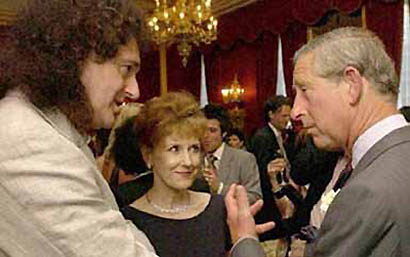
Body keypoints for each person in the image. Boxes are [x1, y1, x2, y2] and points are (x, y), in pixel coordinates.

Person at [0, 0, 266, 256]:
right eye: (126, 69)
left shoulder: (48, 132)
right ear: (75, 59)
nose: (135, 89)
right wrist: (246, 244)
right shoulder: (29, 143)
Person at [291, 26, 410, 256]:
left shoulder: (367, 192)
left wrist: (244, 241)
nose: (296, 111)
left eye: (305, 90)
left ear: (351, 85)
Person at [121, 91, 232, 257]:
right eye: (174, 149)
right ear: (148, 155)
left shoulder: (218, 208)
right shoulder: (128, 221)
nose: (188, 161)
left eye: (194, 149)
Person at [192, 104, 262, 204]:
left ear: (224, 133)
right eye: (202, 130)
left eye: (212, 131)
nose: (206, 136)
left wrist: (220, 188)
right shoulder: (193, 158)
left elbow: (255, 197)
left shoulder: (243, 159)